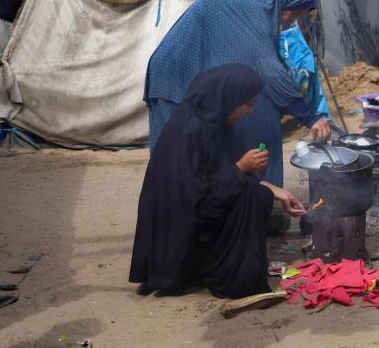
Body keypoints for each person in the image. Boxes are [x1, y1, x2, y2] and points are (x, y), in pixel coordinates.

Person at [130, 64, 307, 299]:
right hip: (179, 242)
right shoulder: (187, 133)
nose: (250, 111)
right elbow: (199, 203)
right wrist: (240, 168)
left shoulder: (214, 124)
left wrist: (278, 191)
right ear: (228, 98)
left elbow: (220, 177)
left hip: (197, 220)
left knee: (259, 194)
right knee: (251, 198)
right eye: (248, 104)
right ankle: (234, 277)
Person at [144, 0, 331, 186]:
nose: (292, 20)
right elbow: (268, 70)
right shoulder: (254, 9)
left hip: (185, 75)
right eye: (294, 11)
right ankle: (170, 212)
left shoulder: (256, 1)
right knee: (173, 158)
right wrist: (309, 117)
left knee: (195, 158)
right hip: (172, 76)